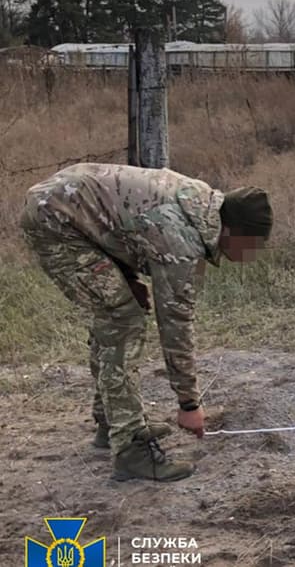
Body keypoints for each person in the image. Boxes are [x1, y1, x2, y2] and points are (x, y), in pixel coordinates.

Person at [20, 163, 273, 481]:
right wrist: (189, 403)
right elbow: (176, 324)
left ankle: (111, 421)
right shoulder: (182, 237)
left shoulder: (197, 204)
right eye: (254, 245)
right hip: (56, 220)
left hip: (64, 207)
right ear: (233, 231)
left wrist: (126, 277)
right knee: (122, 323)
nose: (253, 254)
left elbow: (119, 221)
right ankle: (131, 452)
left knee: (116, 316)